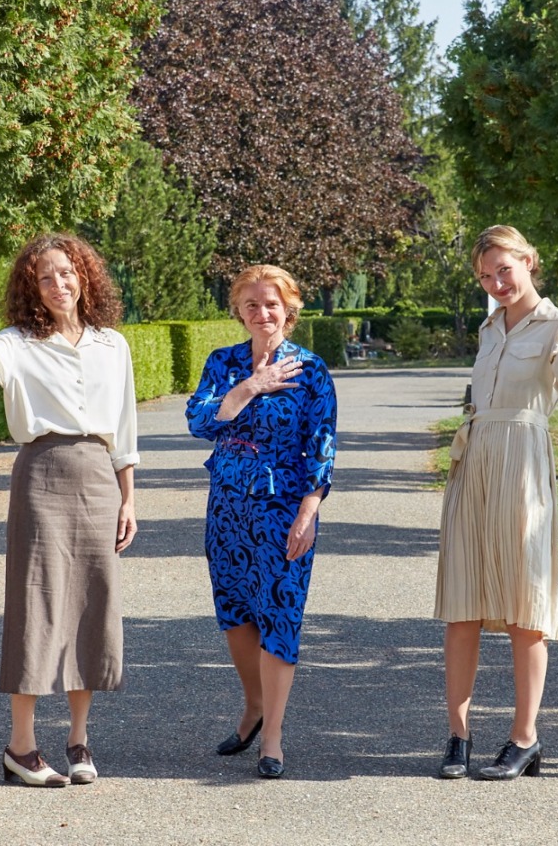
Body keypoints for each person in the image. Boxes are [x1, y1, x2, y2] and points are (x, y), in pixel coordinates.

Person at [0, 233, 138, 788]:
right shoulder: (16, 342)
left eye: (68, 272)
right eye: (46, 276)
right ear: (32, 287)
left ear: (85, 277)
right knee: (35, 605)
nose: (59, 284)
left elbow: (123, 431)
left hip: (100, 478)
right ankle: (21, 746)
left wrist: (129, 498)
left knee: (92, 606)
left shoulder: (113, 345)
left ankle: (78, 740)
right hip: (42, 474)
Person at [434, 225, 558, 781]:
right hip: (475, 462)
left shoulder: (557, 322)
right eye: (486, 275)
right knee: (462, 603)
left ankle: (524, 737)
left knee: (525, 605)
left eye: (505, 269)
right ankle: (457, 736)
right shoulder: (488, 328)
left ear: (530, 261)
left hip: (524, 465)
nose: (497, 282)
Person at [185, 265, 337, 779]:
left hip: (283, 510)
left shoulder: (312, 371)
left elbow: (322, 449)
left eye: (271, 304)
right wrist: (250, 386)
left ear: (289, 310)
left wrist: (309, 513)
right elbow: (200, 421)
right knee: (236, 611)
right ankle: (253, 707)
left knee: (280, 615)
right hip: (227, 505)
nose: (261, 313)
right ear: (239, 311)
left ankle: (272, 736)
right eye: (251, 305)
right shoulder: (223, 363)